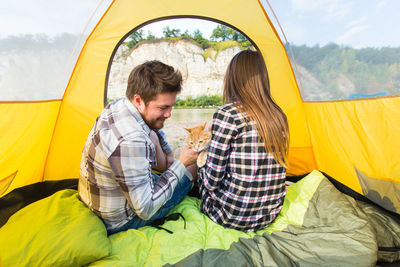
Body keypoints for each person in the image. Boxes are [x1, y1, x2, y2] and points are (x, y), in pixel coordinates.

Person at [78, 60, 198, 235]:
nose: (169, 114)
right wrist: (181, 164)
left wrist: (170, 158)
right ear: (138, 100)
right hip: (120, 221)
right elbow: (145, 209)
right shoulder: (130, 141)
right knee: (192, 166)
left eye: (172, 106)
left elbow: (155, 131)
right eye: (163, 108)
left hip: (103, 200)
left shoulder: (118, 105)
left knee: (158, 142)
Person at [198, 50, 290, 232]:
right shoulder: (279, 115)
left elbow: (212, 180)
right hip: (267, 215)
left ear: (232, 78)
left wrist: (200, 166)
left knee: (200, 167)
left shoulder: (227, 114)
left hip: (230, 215)